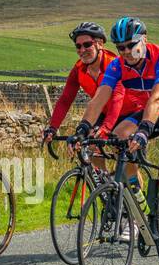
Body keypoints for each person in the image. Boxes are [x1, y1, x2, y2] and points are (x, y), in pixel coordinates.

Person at [72, 16, 159, 265]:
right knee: (119, 136)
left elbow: (158, 97)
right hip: (148, 113)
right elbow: (100, 97)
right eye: (120, 47)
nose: (126, 51)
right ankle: (138, 198)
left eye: (130, 45)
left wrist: (145, 129)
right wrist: (83, 128)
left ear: (144, 40)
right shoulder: (118, 66)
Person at [42, 22, 119, 174]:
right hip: (101, 112)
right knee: (91, 148)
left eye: (87, 44)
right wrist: (52, 128)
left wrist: (106, 128)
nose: (82, 50)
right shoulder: (79, 70)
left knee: (124, 160)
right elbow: (65, 100)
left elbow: (118, 100)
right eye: (78, 46)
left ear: (100, 44)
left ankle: (137, 194)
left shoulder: (114, 65)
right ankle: (106, 189)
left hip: (124, 111)